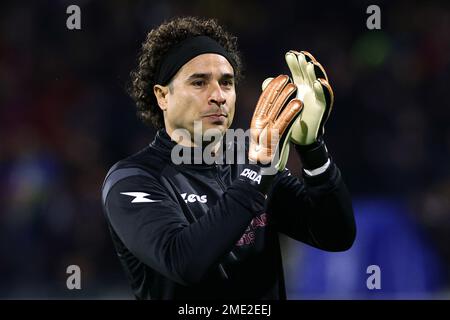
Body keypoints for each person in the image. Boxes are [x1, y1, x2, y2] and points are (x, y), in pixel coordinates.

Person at [101, 16, 356, 300]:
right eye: (199, 83)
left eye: (226, 82)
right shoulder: (133, 179)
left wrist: (312, 149)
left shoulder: (249, 161)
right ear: (162, 96)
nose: (218, 96)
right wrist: (257, 174)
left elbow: (336, 235)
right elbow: (184, 262)